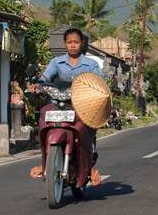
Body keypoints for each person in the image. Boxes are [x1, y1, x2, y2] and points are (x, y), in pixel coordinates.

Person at [38, 27, 103, 194]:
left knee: (88, 130)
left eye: (76, 42)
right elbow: (45, 78)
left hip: (82, 106)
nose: (73, 45)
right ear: (65, 44)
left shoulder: (91, 64)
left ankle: (88, 158)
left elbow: (99, 82)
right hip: (58, 104)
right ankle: (46, 160)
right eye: (69, 42)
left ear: (82, 44)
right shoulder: (56, 62)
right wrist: (38, 85)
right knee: (43, 115)